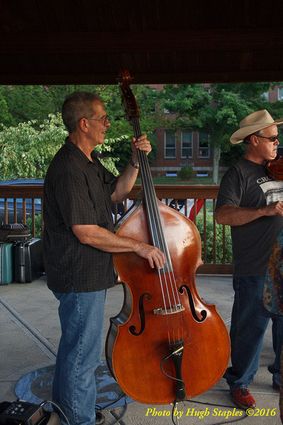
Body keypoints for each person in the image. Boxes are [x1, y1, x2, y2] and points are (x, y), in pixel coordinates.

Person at [43, 91, 165, 425]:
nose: (107, 124)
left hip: (89, 273)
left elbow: (116, 192)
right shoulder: (68, 168)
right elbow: (85, 231)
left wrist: (135, 162)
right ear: (84, 123)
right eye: (102, 118)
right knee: (82, 354)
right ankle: (78, 419)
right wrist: (138, 247)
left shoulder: (88, 161)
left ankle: (67, 409)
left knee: (76, 349)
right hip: (77, 275)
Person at [215, 109, 283, 409]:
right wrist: (263, 211)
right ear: (254, 140)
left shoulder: (278, 166)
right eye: (272, 139)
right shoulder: (238, 174)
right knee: (250, 327)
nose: (277, 144)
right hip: (255, 266)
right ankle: (239, 381)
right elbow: (222, 215)